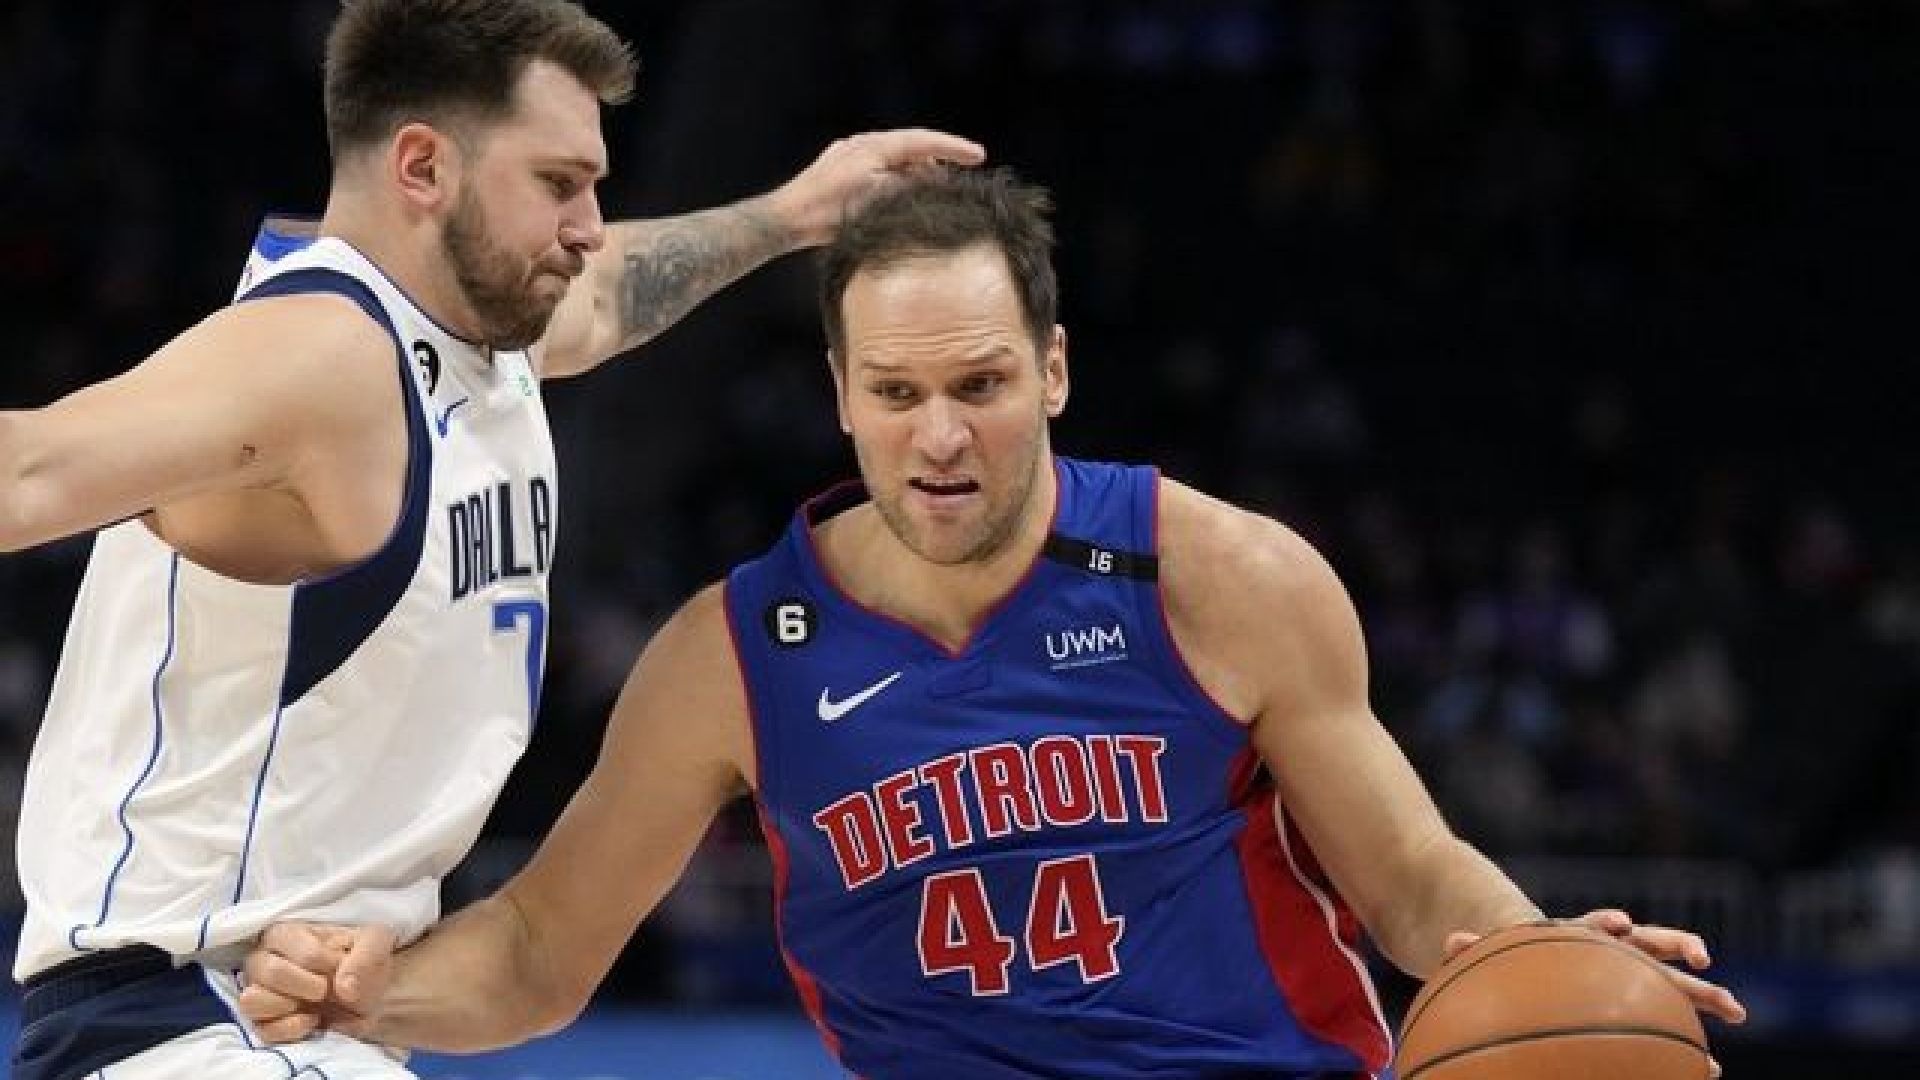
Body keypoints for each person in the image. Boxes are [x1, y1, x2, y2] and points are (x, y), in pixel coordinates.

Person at [236, 166, 1746, 1078]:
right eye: (897, 394)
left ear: (1056, 370)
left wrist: (1536, 951)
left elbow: (1412, 878)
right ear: (840, 395)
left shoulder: (1219, 575)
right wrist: (375, 991)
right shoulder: (733, 657)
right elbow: (537, 954)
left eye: (981, 385)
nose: (941, 436)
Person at [0, 1, 980, 1077]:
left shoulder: (477, 336)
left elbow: (611, 294)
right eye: (559, 183)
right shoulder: (320, 353)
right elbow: (28, 469)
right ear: (423, 167)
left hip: (288, 1020)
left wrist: (799, 211)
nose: (590, 225)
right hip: (187, 1019)